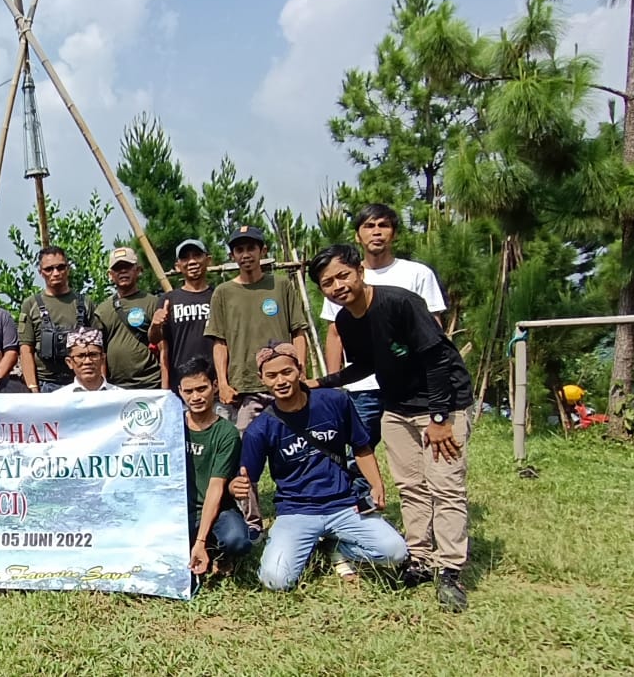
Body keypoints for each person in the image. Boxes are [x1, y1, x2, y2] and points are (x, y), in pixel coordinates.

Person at [308, 244, 473, 612]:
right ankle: (420, 558)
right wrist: (322, 382)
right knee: (412, 487)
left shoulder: (401, 303)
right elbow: (365, 365)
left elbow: (437, 358)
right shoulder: (347, 322)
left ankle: (449, 569)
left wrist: (439, 418)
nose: (338, 286)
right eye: (327, 283)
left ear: (359, 272)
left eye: (342, 275)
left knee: (445, 486)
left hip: (441, 403)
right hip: (396, 406)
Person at [233, 343, 408, 592]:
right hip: (295, 511)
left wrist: (376, 484)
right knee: (275, 580)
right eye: (271, 376)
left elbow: (361, 447)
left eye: (287, 372)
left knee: (396, 552)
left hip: (344, 505)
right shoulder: (260, 428)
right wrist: (235, 486)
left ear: (300, 371)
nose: (280, 381)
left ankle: (336, 547)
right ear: (262, 379)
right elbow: (246, 478)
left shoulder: (335, 401)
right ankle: (307, 546)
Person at [321, 204, 447, 447]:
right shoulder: (340, 278)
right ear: (358, 235)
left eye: (383, 225)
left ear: (394, 233)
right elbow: (335, 334)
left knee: (422, 450)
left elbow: (433, 329)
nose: (376, 232)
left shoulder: (417, 274)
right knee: (356, 450)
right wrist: (334, 386)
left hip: (412, 387)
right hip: (363, 386)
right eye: (369, 226)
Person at [203, 225, 309, 430]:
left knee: (291, 445)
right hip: (243, 387)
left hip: (283, 381)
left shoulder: (281, 285)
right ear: (232, 255)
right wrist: (223, 384)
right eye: (239, 250)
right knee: (246, 448)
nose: (246, 254)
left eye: (251, 248)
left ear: (263, 251)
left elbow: (298, 331)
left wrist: (300, 369)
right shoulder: (223, 293)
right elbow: (219, 342)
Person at [175, 357, 253, 577]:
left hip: (217, 508)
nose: (196, 397)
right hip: (179, 510)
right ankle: (202, 543)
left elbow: (216, 488)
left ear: (215, 386)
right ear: (180, 391)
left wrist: (199, 540)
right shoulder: (172, 426)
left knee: (238, 540)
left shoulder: (226, 433)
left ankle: (213, 548)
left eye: (202, 388)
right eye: (188, 391)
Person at [19, 246, 101, 392]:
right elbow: (26, 350)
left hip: (81, 384)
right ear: (40, 272)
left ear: (68, 268)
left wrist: (101, 387)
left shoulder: (85, 303)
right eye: (49, 269)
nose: (55, 273)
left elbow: (99, 348)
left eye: (60, 267)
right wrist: (33, 388)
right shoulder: (31, 304)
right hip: (45, 384)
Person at [150, 238, 215, 395]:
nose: (191, 261)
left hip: (214, 386)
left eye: (197, 256)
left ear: (208, 260)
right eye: (185, 258)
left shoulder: (219, 297)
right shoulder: (168, 300)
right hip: (181, 389)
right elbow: (158, 343)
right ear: (177, 266)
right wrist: (155, 324)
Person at [95, 247, 163, 389]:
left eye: (127, 267)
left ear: (138, 270)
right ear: (110, 274)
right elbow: (100, 352)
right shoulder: (102, 310)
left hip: (152, 382)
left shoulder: (154, 302)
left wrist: (166, 386)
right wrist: (102, 387)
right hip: (116, 386)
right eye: (117, 268)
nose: (123, 271)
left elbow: (164, 348)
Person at [54, 327, 121, 393]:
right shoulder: (59, 399)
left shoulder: (122, 397)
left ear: (103, 359)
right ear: (69, 362)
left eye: (93, 355)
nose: (87, 361)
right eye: (80, 356)